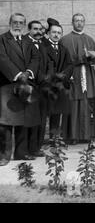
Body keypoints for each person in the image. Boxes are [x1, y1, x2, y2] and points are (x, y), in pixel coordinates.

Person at [60, 13, 95, 144]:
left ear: (84, 23)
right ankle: (73, 136)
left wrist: (94, 56)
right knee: (74, 105)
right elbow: (63, 60)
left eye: (81, 21)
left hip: (88, 74)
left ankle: (86, 135)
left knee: (87, 105)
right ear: (72, 22)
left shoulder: (89, 39)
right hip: (73, 74)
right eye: (76, 21)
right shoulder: (65, 39)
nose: (79, 23)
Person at [0, 13, 40, 166]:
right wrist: (17, 74)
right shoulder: (2, 39)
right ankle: (4, 156)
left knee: (23, 119)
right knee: (6, 122)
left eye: (21, 23)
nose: (18, 25)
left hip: (25, 84)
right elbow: (2, 59)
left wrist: (28, 73)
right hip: (7, 84)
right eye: (15, 22)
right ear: (10, 23)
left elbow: (36, 58)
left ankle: (21, 153)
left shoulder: (27, 41)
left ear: (24, 25)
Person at [42, 23, 73, 140]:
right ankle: (40, 141)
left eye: (59, 33)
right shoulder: (43, 48)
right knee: (45, 114)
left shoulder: (63, 49)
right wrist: (53, 77)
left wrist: (63, 75)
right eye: (54, 32)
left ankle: (54, 139)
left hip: (60, 86)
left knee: (56, 114)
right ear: (49, 33)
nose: (56, 35)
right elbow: (43, 66)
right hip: (47, 86)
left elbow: (70, 65)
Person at [23, 20, 48, 157]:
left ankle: (36, 148)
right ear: (29, 29)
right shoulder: (23, 42)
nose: (39, 31)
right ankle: (26, 149)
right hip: (29, 85)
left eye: (40, 29)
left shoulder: (43, 43)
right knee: (29, 119)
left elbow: (48, 62)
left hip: (43, 87)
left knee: (41, 118)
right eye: (35, 29)